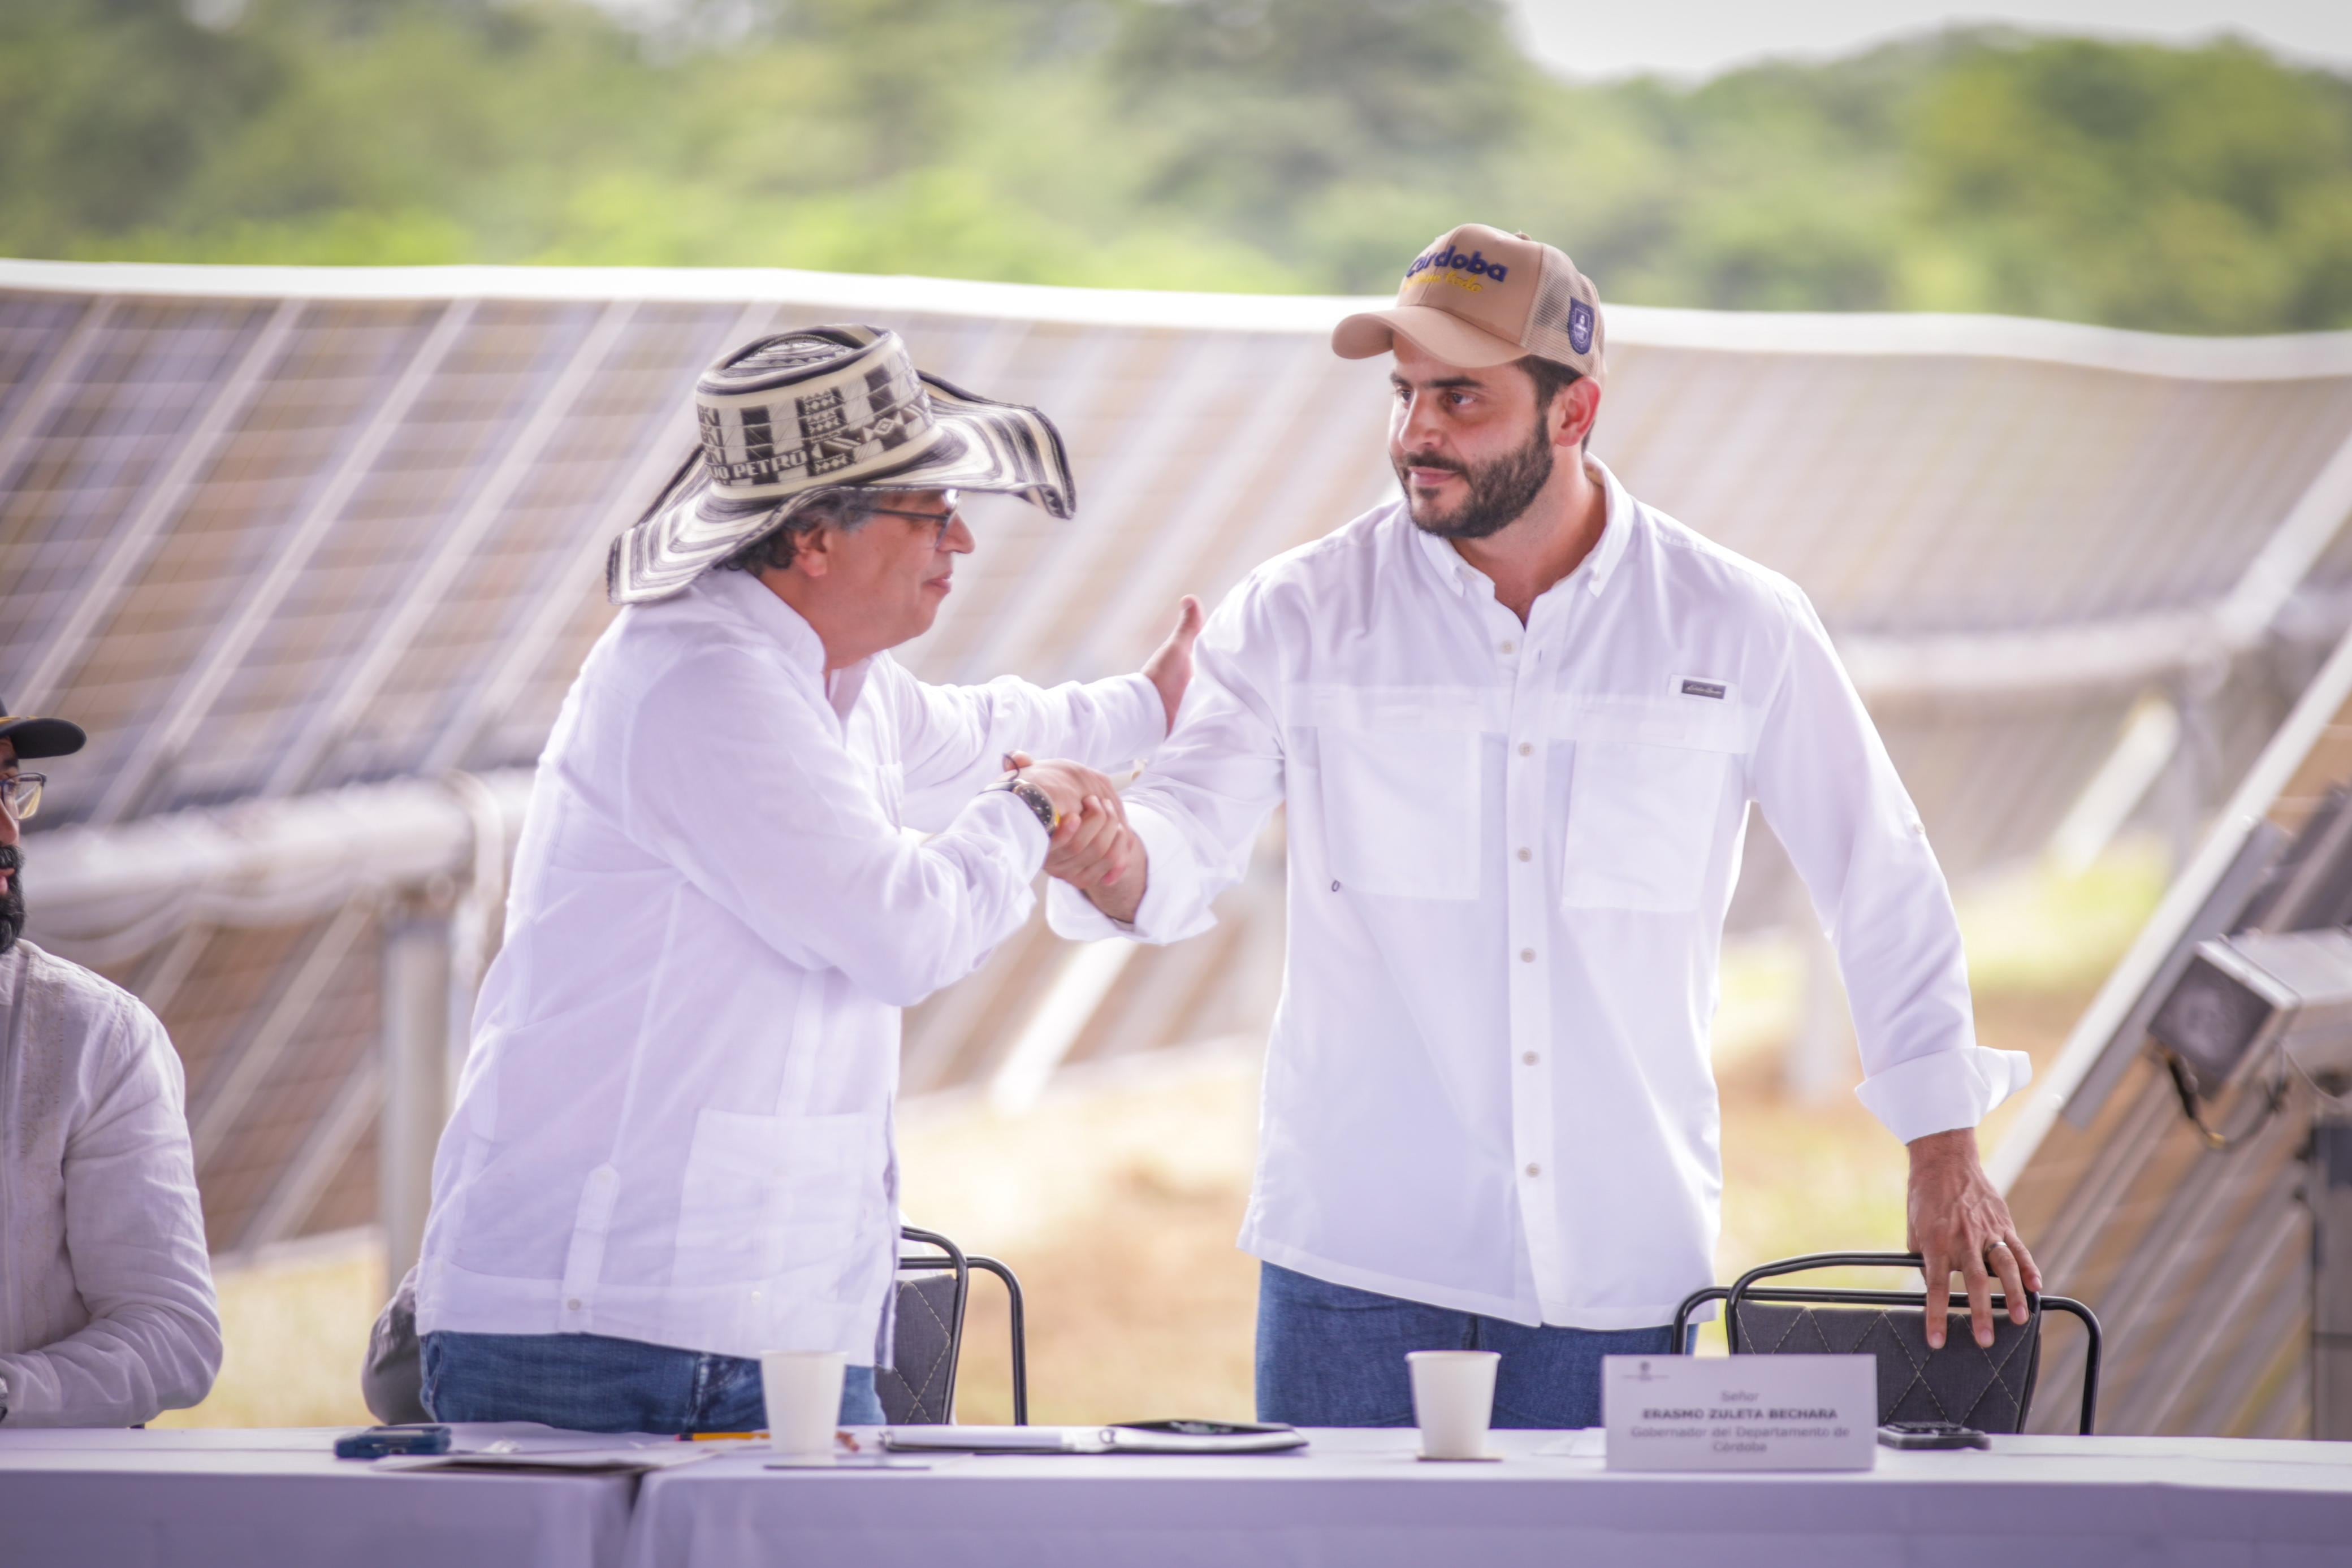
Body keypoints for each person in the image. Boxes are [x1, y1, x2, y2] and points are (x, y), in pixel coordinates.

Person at [1046, 225, 2038, 1429]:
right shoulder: (1297, 612)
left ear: (1575, 412)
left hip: (1622, 1267)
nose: (1416, 433)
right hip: (1357, 1265)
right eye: (1405, 393)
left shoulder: (1738, 623)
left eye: (1460, 398)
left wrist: (1944, 1151)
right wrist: (1105, 851)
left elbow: (1878, 873)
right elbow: (1181, 834)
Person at [414, 325, 1201, 1433]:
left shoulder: (830, 672)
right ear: (815, 538)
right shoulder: (703, 681)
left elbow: (979, 728)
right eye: (932, 510)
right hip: (598, 1332)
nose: (964, 537)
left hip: (768, 1318)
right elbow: (902, 933)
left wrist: (1152, 705)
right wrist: (1030, 810)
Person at [0, 703, 222, 1427]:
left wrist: (10, 1393)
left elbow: (172, 1335)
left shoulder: (91, 1037)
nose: (7, 830)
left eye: (8, 787)